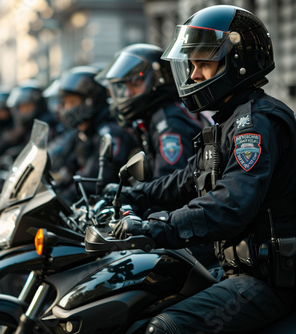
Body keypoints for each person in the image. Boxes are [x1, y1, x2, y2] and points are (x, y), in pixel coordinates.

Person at [112, 5, 296, 333]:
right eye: (193, 64)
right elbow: (186, 179)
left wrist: (161, 225)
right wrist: (131, 195)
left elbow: (232, 202)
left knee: (164, 328)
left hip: (270, 281)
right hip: (239, 270)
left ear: (237, 65)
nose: (194, 75)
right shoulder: (225, 123)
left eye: (204, 64)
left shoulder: (255, 123)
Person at [97, 43, 205, 180]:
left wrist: (132, 194)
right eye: (125, 86)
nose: (128, 93)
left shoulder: (169, 121)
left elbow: (168, 181)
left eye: (136, 84)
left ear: (158, 81)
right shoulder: (151, 117)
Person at [56, 66, 140, 204]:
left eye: (72, 102)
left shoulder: (110, 134)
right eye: (65, 103)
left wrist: (61, 202)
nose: (66, 109)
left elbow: (92, 183)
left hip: (114, 210)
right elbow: (66, 168)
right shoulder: (83, 133)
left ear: (91, 99)